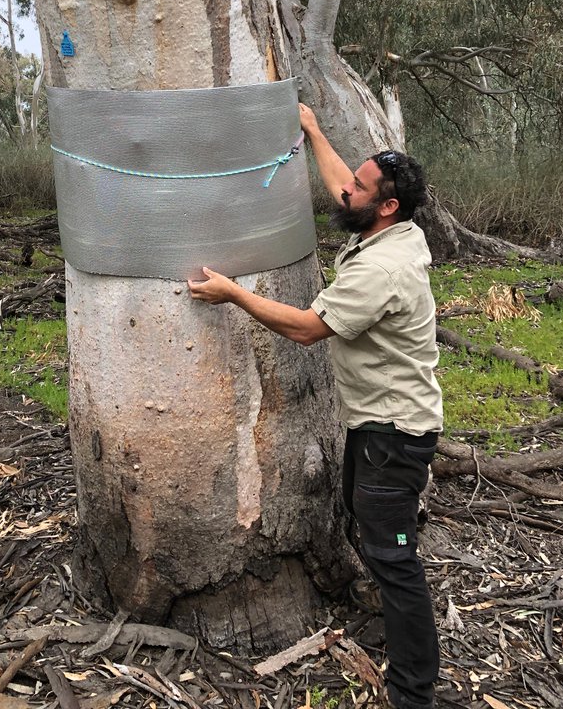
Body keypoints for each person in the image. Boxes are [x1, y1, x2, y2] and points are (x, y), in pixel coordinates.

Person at [187, 102, 442, 709]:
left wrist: (232, 293)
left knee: (394, 561)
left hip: (393, 434)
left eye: (360, 187)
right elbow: (340, 187)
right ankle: (395, 606)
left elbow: (306, 328)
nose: (345, 189)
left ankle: (414, 691)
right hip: (378, 427)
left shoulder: (381, 270)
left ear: (384, 207)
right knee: (374, 533)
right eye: (352, 178)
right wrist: (313, 133)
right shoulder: (395, 228)